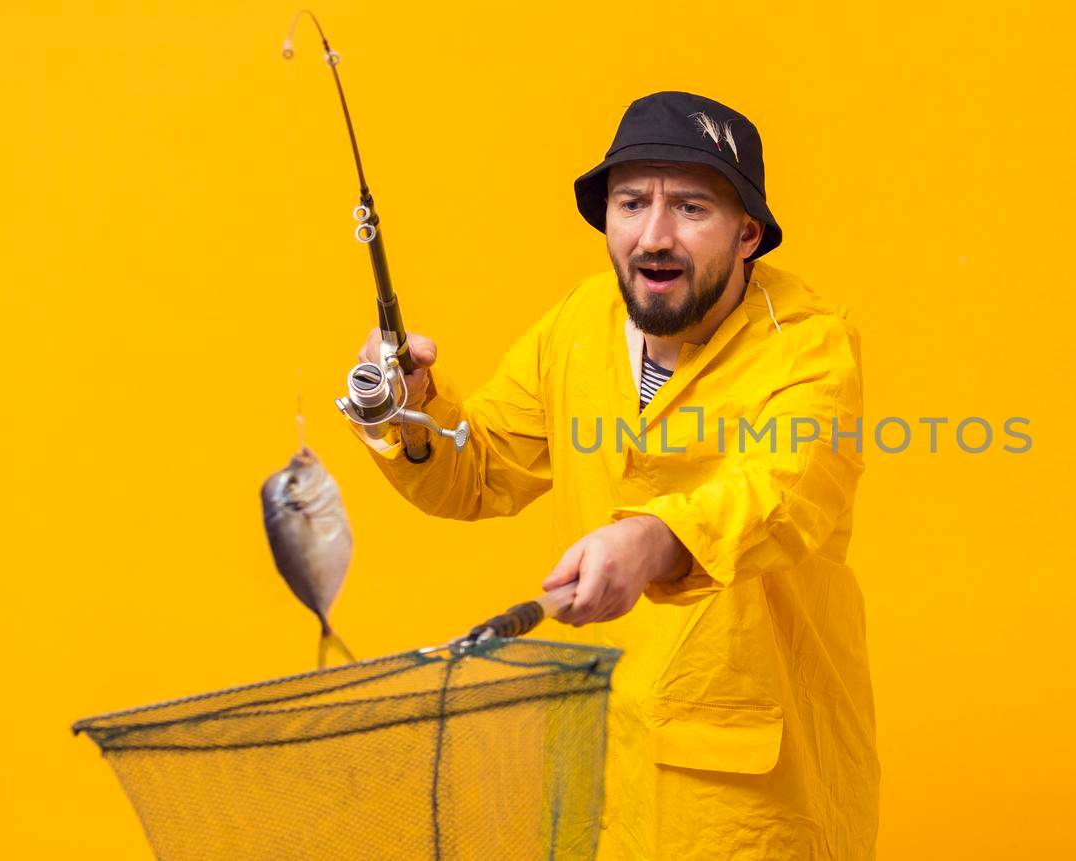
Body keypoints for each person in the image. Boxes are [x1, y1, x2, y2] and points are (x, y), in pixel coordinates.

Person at [354, 91, 878, 859]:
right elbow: (481, 470)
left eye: (692, 207)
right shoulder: (577, 323)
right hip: (597, 757)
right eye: (631, 203)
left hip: (748, 787)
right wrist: (410, 408)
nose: (653, 235)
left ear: (748, 234)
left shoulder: (810, 347)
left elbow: (782, 495)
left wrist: (656, 537)